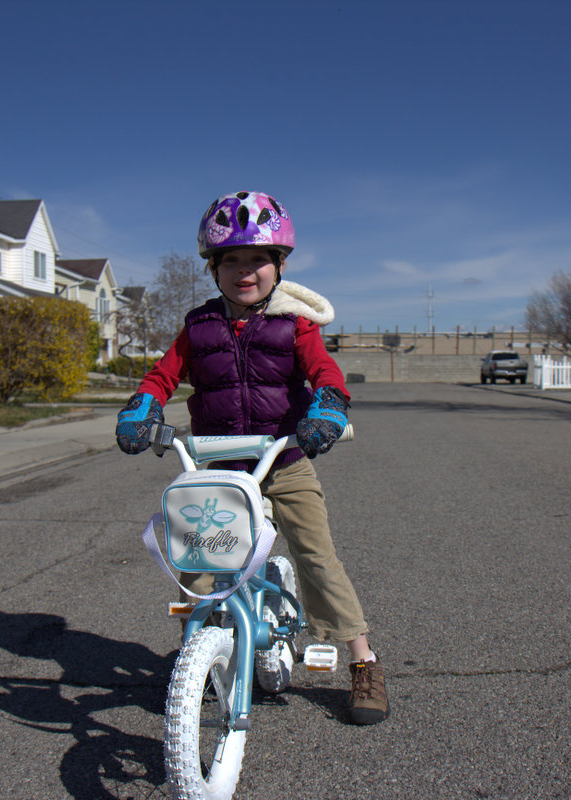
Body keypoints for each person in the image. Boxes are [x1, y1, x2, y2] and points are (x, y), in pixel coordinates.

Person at [115, 190, 389, 726]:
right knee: (198, 562)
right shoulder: (197, 328)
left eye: (258, 259)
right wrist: (142, 408)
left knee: (316, 556)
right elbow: (161, 376)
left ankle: (363, 661)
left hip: (283, 459)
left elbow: (324, 374)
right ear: (213, 268)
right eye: (231, 260)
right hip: (218, 467)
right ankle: (198, 653)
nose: (246, 271)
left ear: (279, 266)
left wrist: (329, 407)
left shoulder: (295, 324)